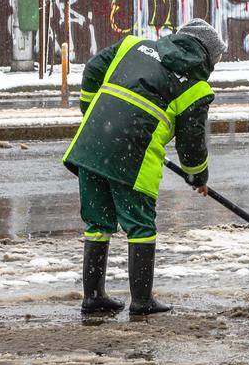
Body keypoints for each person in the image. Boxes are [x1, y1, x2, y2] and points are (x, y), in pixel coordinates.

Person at [63, 19, 227, 320]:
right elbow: (192, 143)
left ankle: (94, 296)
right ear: (206, 56)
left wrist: (92, 111)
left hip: (92, 143)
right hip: (132, 155)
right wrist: (196, 176)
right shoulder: (195, 86)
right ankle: (142, 300)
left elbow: (93, 69)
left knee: (98, 223)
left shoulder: (133, 45)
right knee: (140, 226)